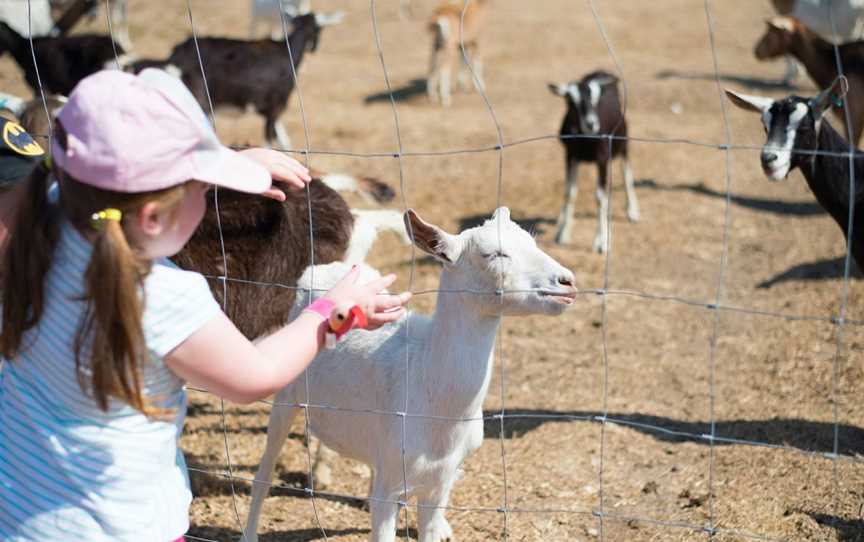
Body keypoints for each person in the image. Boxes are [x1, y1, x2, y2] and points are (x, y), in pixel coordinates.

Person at [0, 68, 411, 541]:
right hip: (123, 528)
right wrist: (333, 313)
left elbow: (118, 191)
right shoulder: (162, 296)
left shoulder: (45, 225)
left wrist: (226, 169)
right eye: (199, 188)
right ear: (154, 216)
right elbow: (254, 376)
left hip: (22, 516)